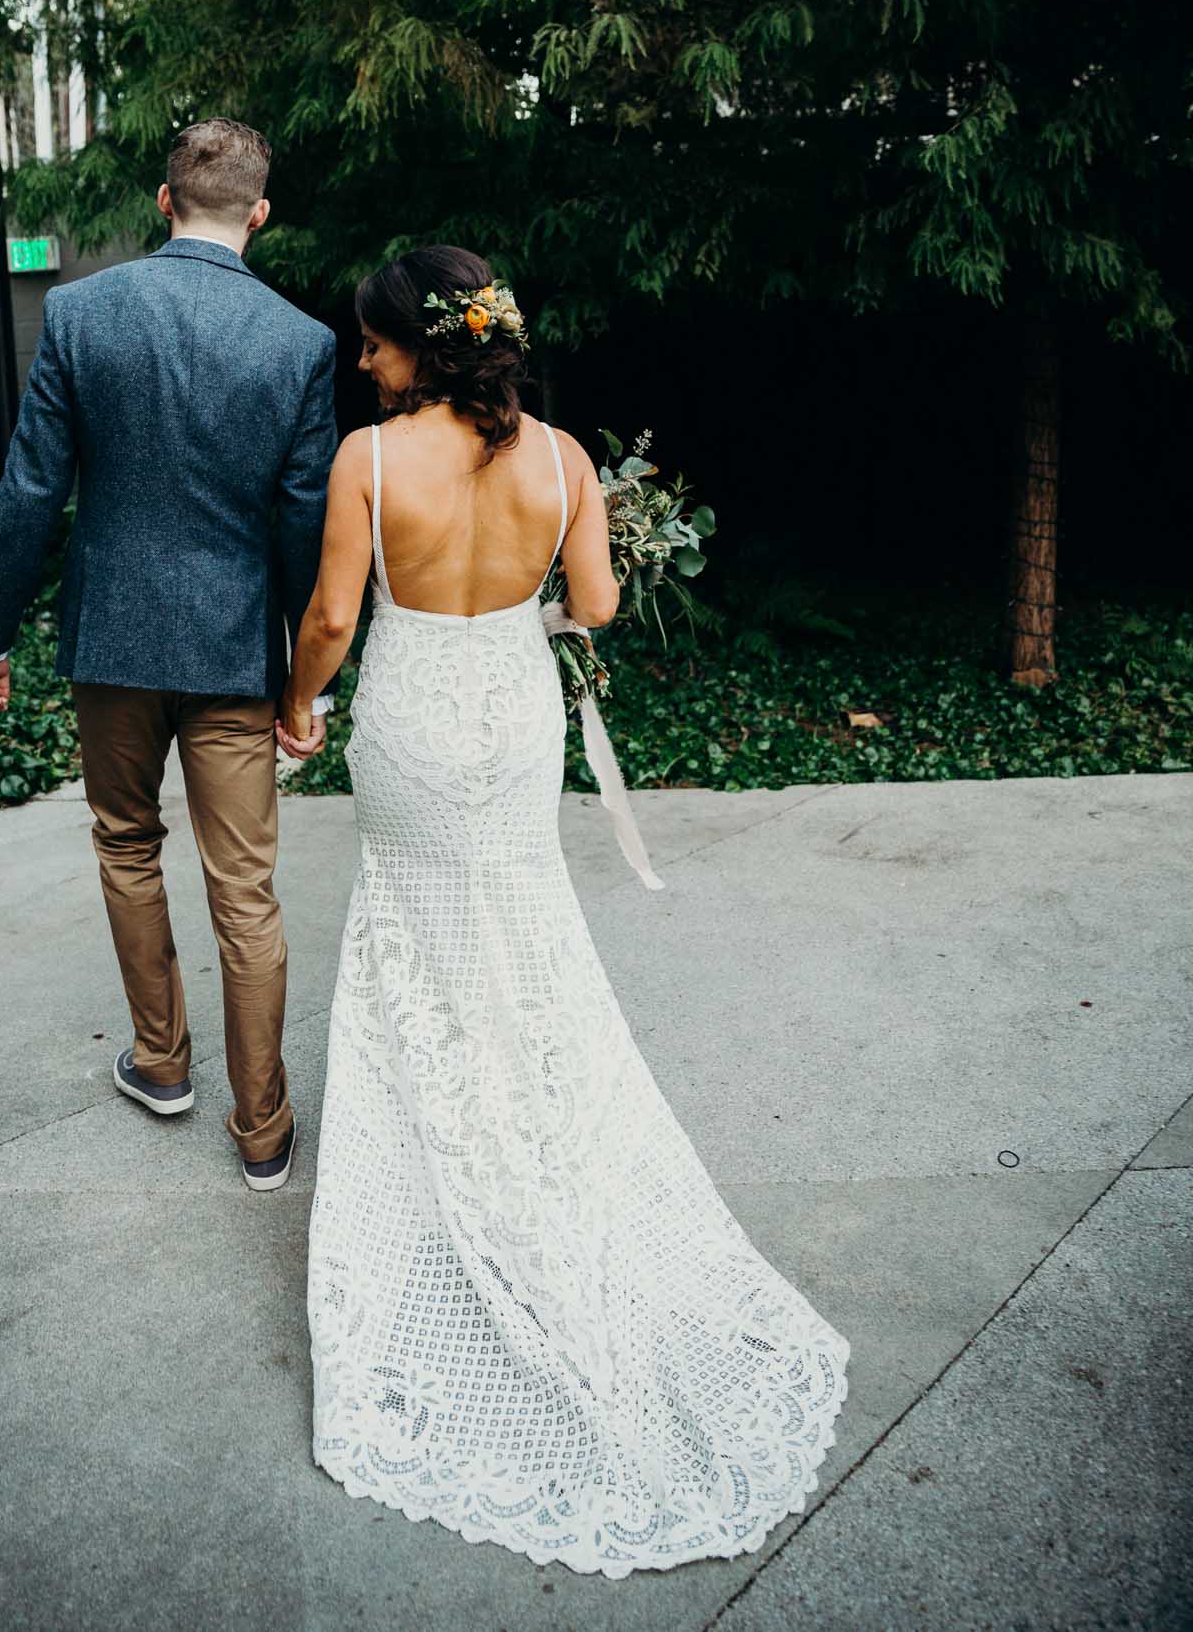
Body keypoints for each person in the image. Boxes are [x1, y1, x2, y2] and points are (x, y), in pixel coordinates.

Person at [280, 245, 850, 1578]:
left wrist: (296, 700)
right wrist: (520, 591)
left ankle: (443, 1194)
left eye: (369, 343)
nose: (359, 363)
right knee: (519, 939)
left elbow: (327, 615)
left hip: (415, 723)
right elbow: (592, 604)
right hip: (511, 721)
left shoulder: (368, 464)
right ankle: (540, 1141)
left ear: (416, 345)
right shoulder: (566, 459)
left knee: (415, 944)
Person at [0, 118, 336, 1190]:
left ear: (162, 203)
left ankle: (161, 1064)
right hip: (232, 654)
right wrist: (305, 684)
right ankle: (262, 1128)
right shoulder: (299, 344)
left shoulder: (79, 314)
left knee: (126, 844)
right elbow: (303, 527)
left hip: (112, 643)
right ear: (258, 215)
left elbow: (32, 491)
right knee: (245, 892)